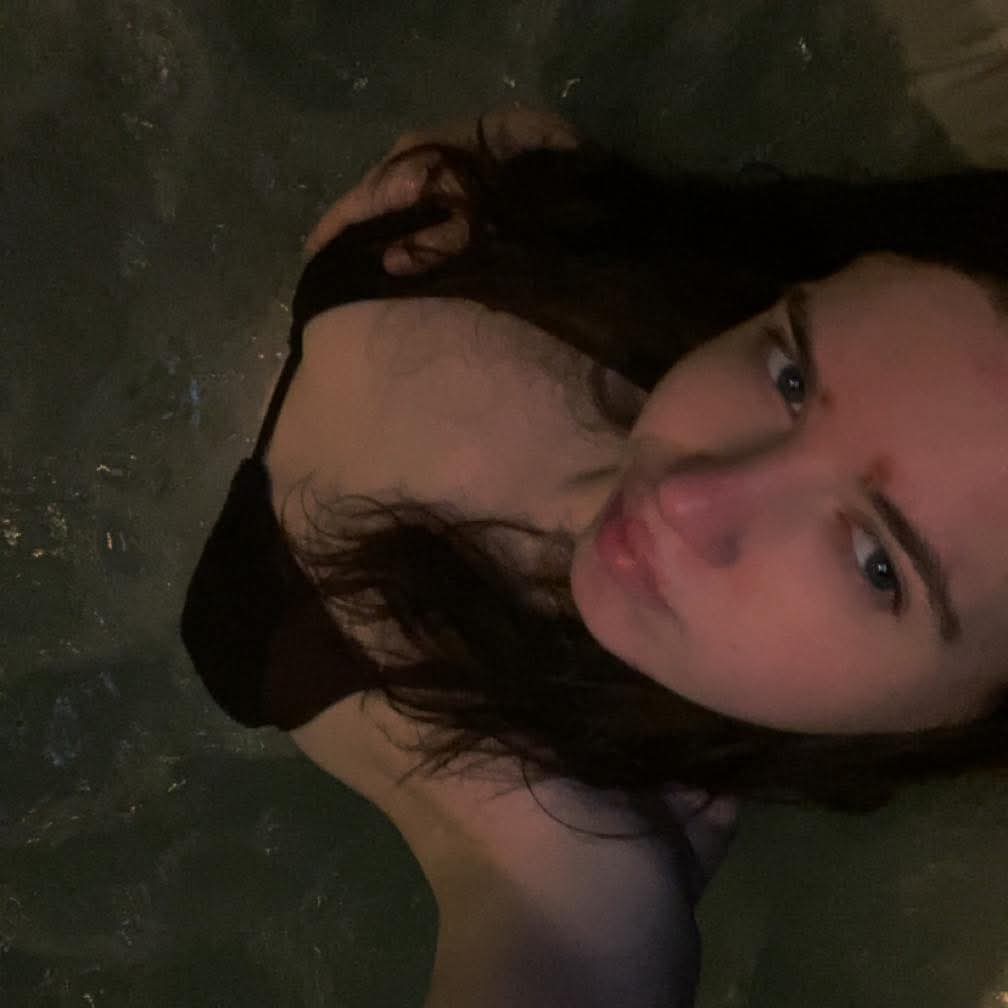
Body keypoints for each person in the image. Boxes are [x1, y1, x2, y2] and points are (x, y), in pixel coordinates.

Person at [180, 103, 1008, 1006]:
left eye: (876, 562)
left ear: (956, 726)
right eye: (792, 375)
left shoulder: (584, 867)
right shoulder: (542, 223)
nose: (687, 499)